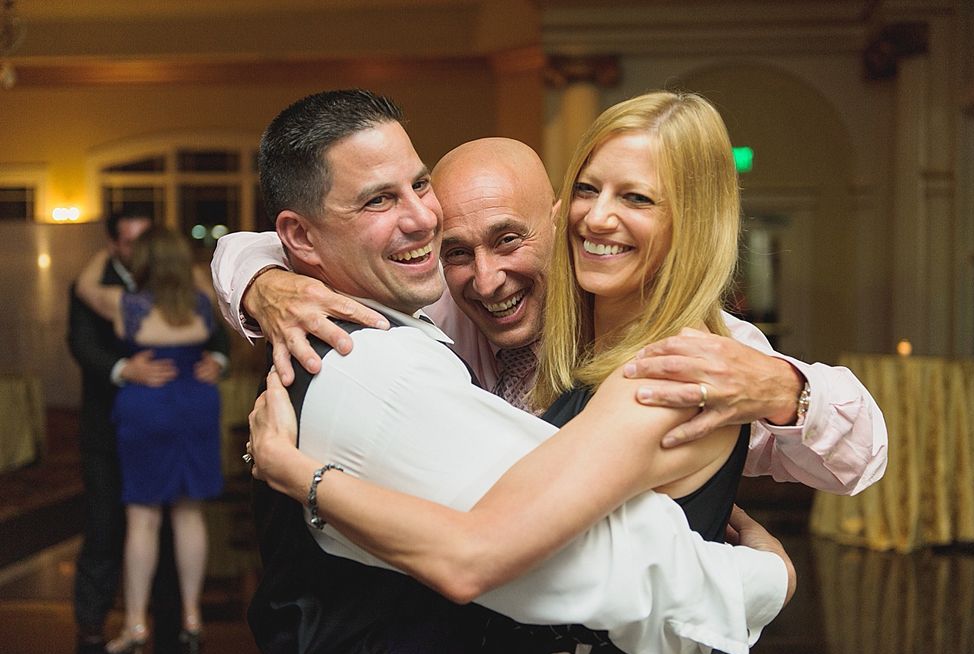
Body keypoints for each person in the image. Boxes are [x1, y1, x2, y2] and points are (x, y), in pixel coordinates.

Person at [233, 88, 795, 654]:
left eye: (637, 198)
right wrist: (260, 279)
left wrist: (297, 473)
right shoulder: (589, 357)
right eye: (587, 188)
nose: (598, 216)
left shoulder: (670, 374)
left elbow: (471, 556)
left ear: (693, 223)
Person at [214, 148, 886, 500]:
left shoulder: (665, 342)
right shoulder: (436, 306)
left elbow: (862, 455)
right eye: (457, 251)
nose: (485, 278)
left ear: (561, 221)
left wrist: (783, 386)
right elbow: (243, 248)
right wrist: (266, 285)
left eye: (508, 241)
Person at [67, 207, 230, 654]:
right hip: (196, 404)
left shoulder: (128, 305)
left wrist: (104, 251)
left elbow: (83, 287)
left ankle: (136, 624)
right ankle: (192, 619)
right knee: (189, 515)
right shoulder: (201, 301)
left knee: (143, 519)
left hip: (148, 407)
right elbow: (209, 295)